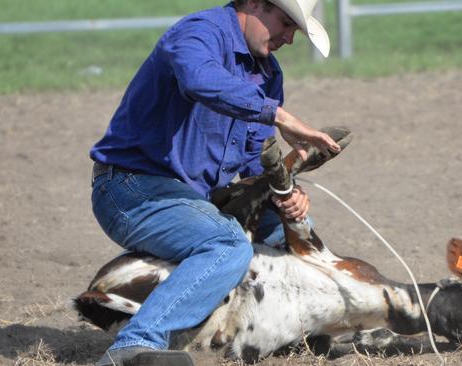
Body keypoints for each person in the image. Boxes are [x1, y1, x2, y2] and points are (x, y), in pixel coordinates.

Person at [88, 0, 339, 365]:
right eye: (285, 23)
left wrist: (286, 193)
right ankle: (135, 345)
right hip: (130, 188)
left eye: (294, 30)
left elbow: (255, 162)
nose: (289, 38)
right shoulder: (197, 33)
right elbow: (199, 79)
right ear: (253, 3)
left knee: (294, 230)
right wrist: (278, 115)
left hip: (190, 198)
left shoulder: (267, 73)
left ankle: (292, 328)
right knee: (227, 245)